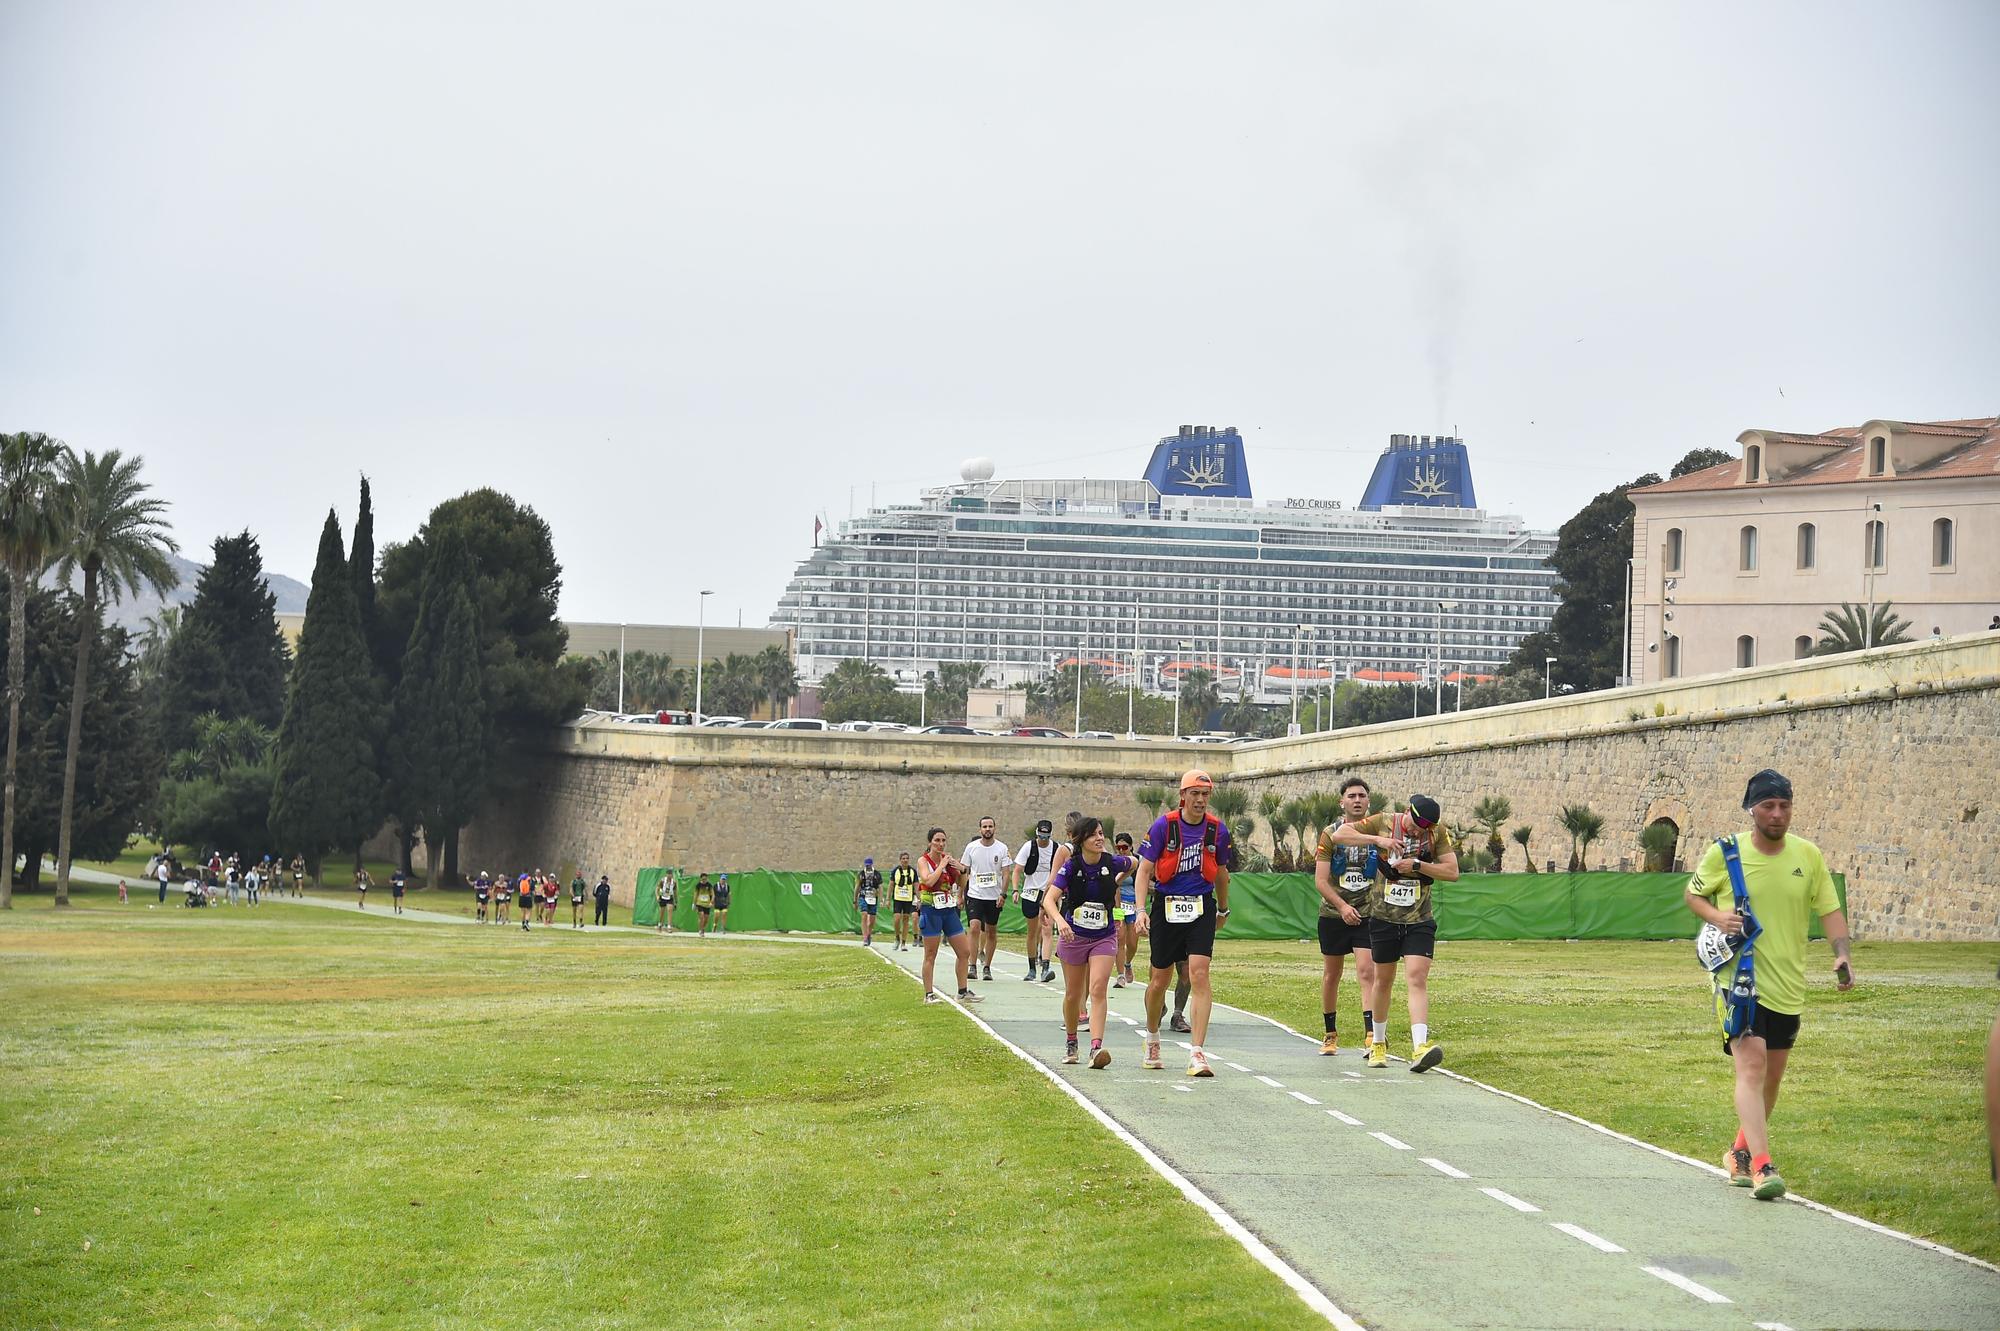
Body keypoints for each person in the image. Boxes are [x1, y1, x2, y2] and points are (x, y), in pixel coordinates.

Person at [1685, 768, 1853, 1201]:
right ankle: (1763, 1166)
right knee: (1752, 1066)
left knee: (1772, 1078)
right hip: (1738, 978)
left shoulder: (1808, 856)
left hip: (1787, 981)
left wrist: (1842, 951)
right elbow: (1694, 895)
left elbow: (1830, 910)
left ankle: (1739, 1153)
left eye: (1784, 806)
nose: (1777, 814)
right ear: (1751, 810)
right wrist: (1717, 916)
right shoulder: (1725, 854)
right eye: (1768, 806)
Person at [1334, 794, 1456, 1073]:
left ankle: (1420, 1047)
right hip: (1383, 917)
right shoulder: (1384, 822)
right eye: (1414, 825)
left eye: (1422, 829)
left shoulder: (1437, 834)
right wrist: (1380, 841)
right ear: (1406, 813)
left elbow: (1452, 872)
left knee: (1417, 977)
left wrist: (1417, 866)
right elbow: (1341, 834)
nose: (1416, 832)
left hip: (1419, 917)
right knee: (1383, 981)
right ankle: (1378, 1043)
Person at [1135, 771, 1234, 1077]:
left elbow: (1220, 873)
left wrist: (1223, 909)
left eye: (1205, 794)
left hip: (1201, 907)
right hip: (1166, 906)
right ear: (1183, 795)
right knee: (1159, 980)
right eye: (1195, 793)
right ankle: (1152, 1037)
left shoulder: (1217, 830)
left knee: (1199, 974)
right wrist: (1140, 909)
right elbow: (1144, 870)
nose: (1201, 800)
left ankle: (1197, 1052)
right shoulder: (1165, 826)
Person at [1048, 817, 1130, 1067]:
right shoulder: (1071, 867)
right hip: (1074, 936)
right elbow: (1050, 899)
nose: (1099, 838)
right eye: (1093, 834)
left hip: (1103, 936)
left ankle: (1096, 1048)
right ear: (1081, 839)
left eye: (1101, 834)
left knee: (1097, 989)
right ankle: (1072, 1043)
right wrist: (1060, 922)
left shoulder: (1111, 862)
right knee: (1074, 995)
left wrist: (1116, 879)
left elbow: (1134, 862)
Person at [1312, 777, 1380, 1058]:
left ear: (1368, 801)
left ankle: (1371, 1035)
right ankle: (1330, 1034)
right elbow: (1321, 880)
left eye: (1362, 795)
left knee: (1367, 970)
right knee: (1332, 974)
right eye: (1351, 796)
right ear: (1342, 802)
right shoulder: (1330, 833)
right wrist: (1342, 907)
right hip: (1333, 914)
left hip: (1367, 913)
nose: (1357, 800)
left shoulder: (1379, 830)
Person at [917, 827, 979, 1004]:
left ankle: (962, 991)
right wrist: (942, 866)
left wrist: (962, 870)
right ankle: (928, 994)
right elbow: (928, 880)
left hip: (948, 910)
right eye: (937, 840)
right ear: (930, 842)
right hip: (931, 910)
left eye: (943, 840)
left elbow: (961, 883)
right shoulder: (923, 860)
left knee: (964, 951)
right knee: (930, 954)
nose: (940, 844)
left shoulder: (948, 861)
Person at [960, 817, 1013, 984]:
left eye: (990, 826)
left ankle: (987, 967)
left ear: (995, 828)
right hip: (975, 894)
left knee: (991, 931)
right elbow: (964, 872)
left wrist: (1003, 894)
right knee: (974, 927)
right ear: (980, 829)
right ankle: (972, 965)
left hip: (994, 896)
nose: (987, 829)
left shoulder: (1002, 848)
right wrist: (960, 894)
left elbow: (1006, 874)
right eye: (984, 826)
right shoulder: (971, 847)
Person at [1016, 821, 1057, 982]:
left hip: (1049, 894)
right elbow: (1018, 870)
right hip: (1030, 893)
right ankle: (1032, 967)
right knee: (1032, 932)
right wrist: (1015, 890)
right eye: (1041, 835)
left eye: (1046, 835)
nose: (1043, 838)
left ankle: (1046, 967)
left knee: (1047, 930)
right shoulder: (1028, 847)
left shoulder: (1056, 848)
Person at [1112, 832, 1138, 988]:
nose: (1122, 851)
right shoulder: (1115, 863)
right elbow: (1113, 885)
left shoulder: (1137, 863)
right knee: (1120, 939)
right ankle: (1120, 975)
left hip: (1133, 905)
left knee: (1133, 943)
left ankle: (1128, 963)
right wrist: (1117, 909)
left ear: (1131, 847)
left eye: (1124, 847)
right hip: (1118, 905)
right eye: (1118, 847)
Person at [888, 853, 919, 951]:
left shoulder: (913, 871)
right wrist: (888, 899)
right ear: (900, 860)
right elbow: (891, 885)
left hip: (908, 898)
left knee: (906, 919)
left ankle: (903, 942)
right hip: (898, 898)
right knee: (897, 919)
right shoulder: (895, 871)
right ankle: (897, 937)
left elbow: (916, 886)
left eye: (907, 858)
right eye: (903, 858)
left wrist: (919, 899)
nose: (905, 860)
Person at [854, 858, 883, 947]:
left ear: (872, 864)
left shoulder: (877, 874)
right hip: (863, 896)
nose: (867, 866)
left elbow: (880, 887)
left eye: (869, 865)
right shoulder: (861, 874)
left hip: (873, 898)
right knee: (864, 915)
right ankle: (865, 937)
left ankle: (869, 933)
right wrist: (855, 900)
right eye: (866, 865)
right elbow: (857, 887)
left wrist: (881, 899)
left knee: (872, 919)